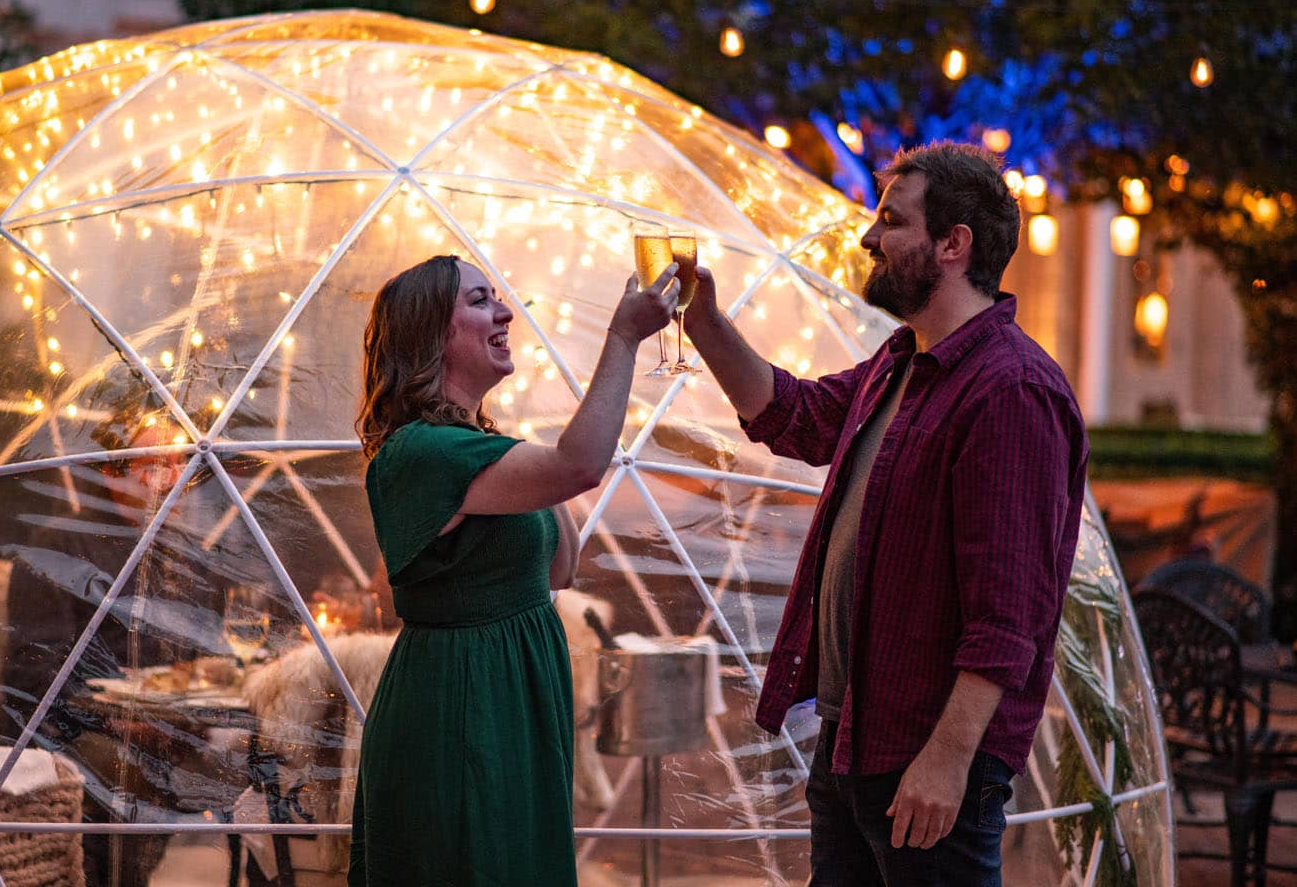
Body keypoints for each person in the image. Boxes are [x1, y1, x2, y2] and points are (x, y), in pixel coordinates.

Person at [682, 141, 1087, 886]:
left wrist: (947, 758)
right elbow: (794, 416)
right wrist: (702, 320)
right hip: (855, 742)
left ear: (953, 244)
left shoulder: (1009, 391)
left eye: (892, 222)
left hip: (927, 762)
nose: (869, 238)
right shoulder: (902, 363)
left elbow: (1009, 617)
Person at [350, 253, 678, 885]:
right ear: (430, 336)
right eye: (479, 301)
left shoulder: (475, 446)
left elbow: (561, 569)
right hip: (465, 699)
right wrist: (622, 338)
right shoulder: (423, 452)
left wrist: (522, 451)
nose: (505, 312)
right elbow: (578, 468)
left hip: (515, 692)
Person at [1, 388, 218, 887]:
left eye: (177, 463)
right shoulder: (59, 546)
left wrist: (194, 698)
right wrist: (121, 721)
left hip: (165, 729)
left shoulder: (181, 554)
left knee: (256, 760)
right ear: (111, 472)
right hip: (74, 735)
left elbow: (198, 653)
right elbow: (35, 667)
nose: (166, 480)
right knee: (123, 775)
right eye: (148, 464)